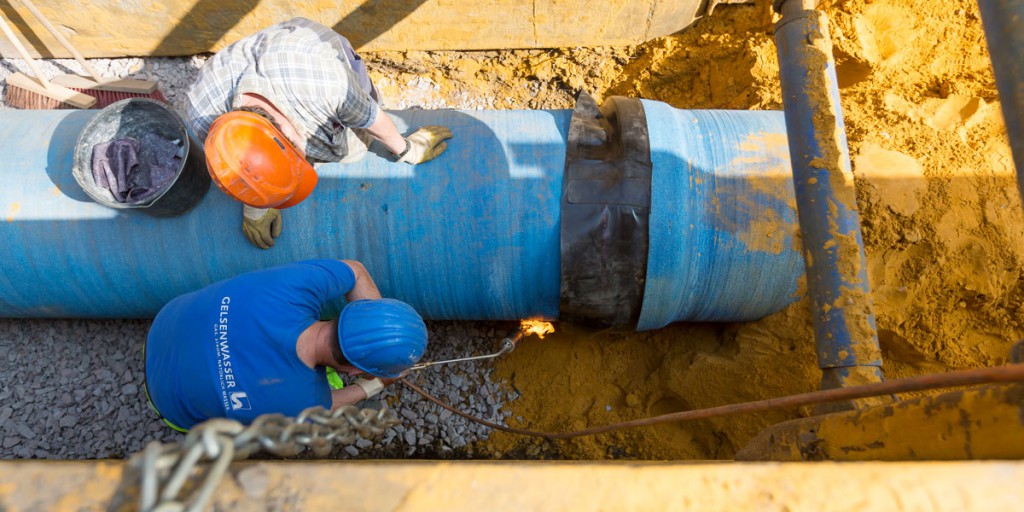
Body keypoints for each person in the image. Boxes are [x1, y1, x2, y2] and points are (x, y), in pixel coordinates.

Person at [186, 17, 453, 249]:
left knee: (355, 144)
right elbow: (236, 161)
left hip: (304, 53)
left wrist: (406, 149)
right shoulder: (204, 117)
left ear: (285, 128)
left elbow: (371, 116)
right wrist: (257, 202)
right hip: (247, 66)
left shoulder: (330, 84)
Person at [144, 259, 428, 432]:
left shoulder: (297, 287)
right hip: (168, 403)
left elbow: (355, 271)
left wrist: (373, 324)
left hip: (167, 323)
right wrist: (375, 384)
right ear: (354, 371)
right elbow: (327, 408)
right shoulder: (299, 402)